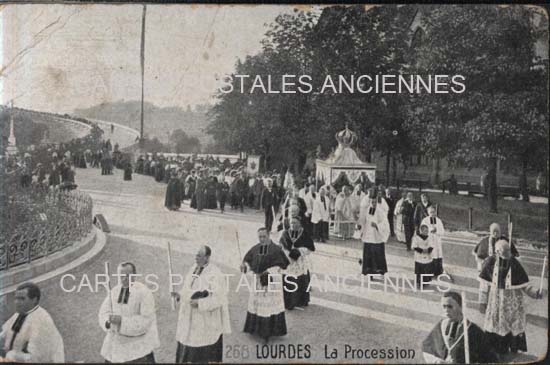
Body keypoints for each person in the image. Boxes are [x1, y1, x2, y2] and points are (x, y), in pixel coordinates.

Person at [479, 239, 543, 355]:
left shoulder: (514, 263)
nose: (509, 253)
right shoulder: (490, 263)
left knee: (513, 325)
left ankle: (513, 348)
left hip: (512, 303)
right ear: (497, 251)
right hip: (496, 303)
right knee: (496, 324)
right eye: (506, 250)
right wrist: (482, 301)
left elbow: (524, 285)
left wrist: (535, 293)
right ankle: (496, 350)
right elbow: (484, 285)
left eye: (509, 250)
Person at [171, 246, 231, 363]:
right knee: (187, 344)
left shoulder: (215, 274)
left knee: (203, 349)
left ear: (207, 258)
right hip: (189, 319)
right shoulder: (194, 268)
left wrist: (200, 303)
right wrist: (180, 295)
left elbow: (219, 299)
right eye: (196, 255)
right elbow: (187, 288)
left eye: (199, 255)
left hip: (205, 321)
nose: (196, 258)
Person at [99, 262, 160, 363]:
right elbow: (103, 312)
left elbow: (146, 321)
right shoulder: (114, 291)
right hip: (115, 350)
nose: (124, 279)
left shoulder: (144, 293)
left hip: (137, 351)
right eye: (121, 276)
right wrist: (107, 322)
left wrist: (122, 321)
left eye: (127, 276)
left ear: (134, 275)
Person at [241, 228, 290, 342]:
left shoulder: (276, 249)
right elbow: (248, 261)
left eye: (264, 236)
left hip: (271, 283)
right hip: (258, 282)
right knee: (258, 306)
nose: (262, 239)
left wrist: (268, 272)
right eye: (260, 237)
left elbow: (282, 266)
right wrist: (245, 266)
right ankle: (254, 329)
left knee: (268, 307)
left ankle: (267, 332)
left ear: (269, 236)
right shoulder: (255, 248)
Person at [422, 291, 497, 363]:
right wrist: (436, 361)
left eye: (450, 306)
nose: (446, 310)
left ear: (460, 307)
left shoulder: (474, 331)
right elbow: (426, 348)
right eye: (444, 306)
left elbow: (489, 358)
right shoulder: (441, 325)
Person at [0, 282, 64, 362]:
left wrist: (11, 355)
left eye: (22, 299)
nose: (17, 302)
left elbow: (36, 358)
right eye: (16, 298)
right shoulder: (20, 313)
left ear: (34, 300)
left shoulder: (42, 320)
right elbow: (4, 333)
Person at [473, 223, 519, 301]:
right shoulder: (485, 241)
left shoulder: (505, 241)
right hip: (487, 269)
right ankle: (483, 304)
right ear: (490, 231)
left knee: (499, 290)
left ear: (500, 232)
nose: (495, 234)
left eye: (497, 231)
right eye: (493, 231)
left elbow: (513, 255)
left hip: (501, 269)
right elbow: (479, 257)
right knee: (484, 287)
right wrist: (481, 267)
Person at [279, 218, 315, 310]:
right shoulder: (285, 233)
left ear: (300, 224)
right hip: (288, 260)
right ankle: (289, 302)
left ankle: (301, 301)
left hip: (300, 261)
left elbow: (310, 248)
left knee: (301, 280)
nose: (293, 224)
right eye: (291, 222)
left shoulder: (304, 234)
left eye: (295, 222)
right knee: (288, 280)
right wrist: (288, 254)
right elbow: (281, 245)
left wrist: (299, 251)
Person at [358, 189, 390, 276]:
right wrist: (359, 226)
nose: (373, 203)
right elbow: (362, 220)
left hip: (377, 236)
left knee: (377, 253)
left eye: (375, 202)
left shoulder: (380, 211)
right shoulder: (367, 210)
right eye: (372, 202)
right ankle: (368, 270)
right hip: (368, 234)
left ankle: (379, 270)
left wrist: (377, 225)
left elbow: (385, 223)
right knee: (368, 253)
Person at [421, 206, 445, 278]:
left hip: (437, 241)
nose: (433, 214)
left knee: (437, 255)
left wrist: (437, 231)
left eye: (434, 212)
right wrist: (431, 230)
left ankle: (438, 272)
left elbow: (442, 231)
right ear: (428, 213)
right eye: (431, 212)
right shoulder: (425, 220)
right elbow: (422, 230)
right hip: (429, 241)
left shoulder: (438, 220)